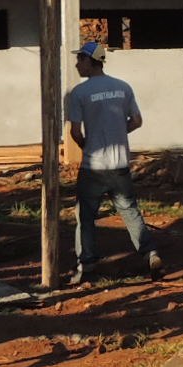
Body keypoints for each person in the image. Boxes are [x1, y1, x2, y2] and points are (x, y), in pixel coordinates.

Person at [64, 40, 161, 284]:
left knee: (85, 217)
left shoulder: (79, 93)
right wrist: (118, 131)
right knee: (130, 212)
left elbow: (75, 132)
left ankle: (87, 265)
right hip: (120, 167)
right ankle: (150, 254)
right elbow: (137, 120)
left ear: (90, 61)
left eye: (80, 60)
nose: (77, 64)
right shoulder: (123, 88)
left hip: (93, 168)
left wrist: (89, 144)